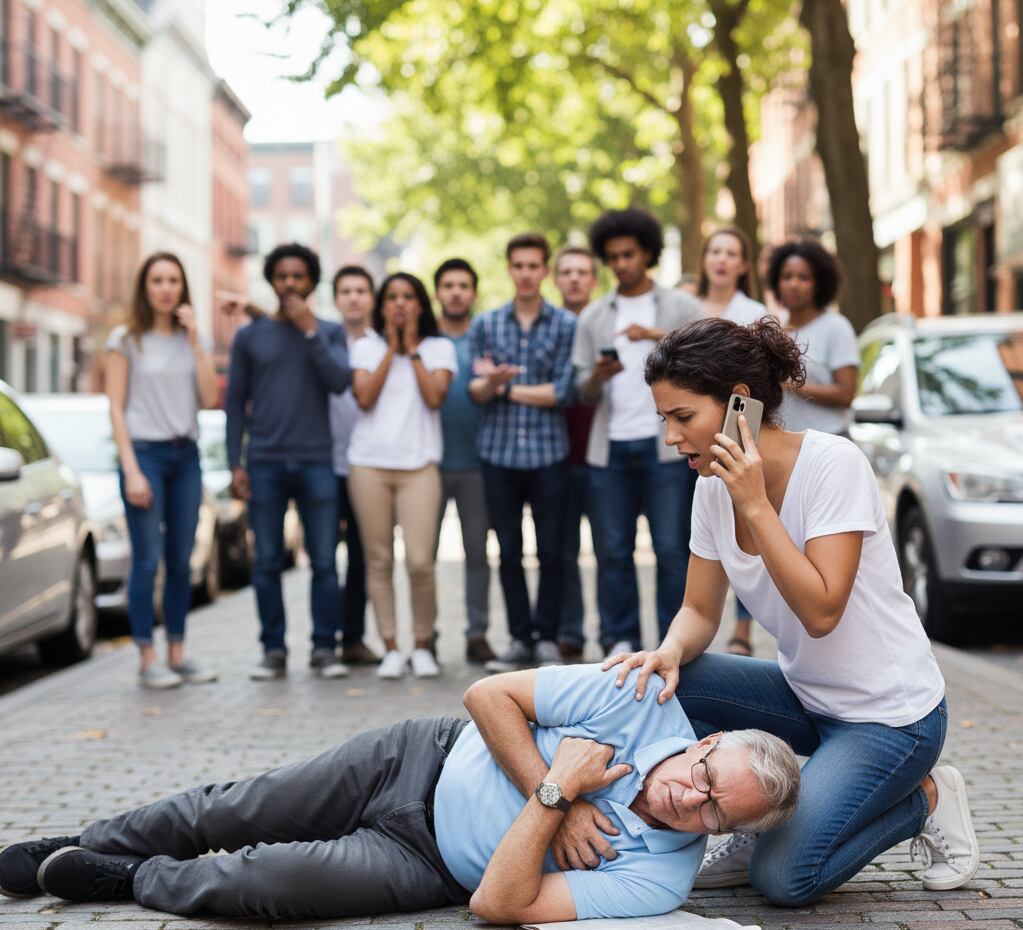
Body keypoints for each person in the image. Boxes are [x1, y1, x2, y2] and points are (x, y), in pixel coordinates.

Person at [606, 316, 978, 906]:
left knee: (785, 881)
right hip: (809, 697)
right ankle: (747, 817)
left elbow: (822, 610)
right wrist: (667, 652)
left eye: (683, 418)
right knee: (671, 684)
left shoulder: (833, 465)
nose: (672, 438)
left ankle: (923, 798)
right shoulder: (709, 488)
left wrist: (755, 504)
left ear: (738, 404)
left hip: (891, 719)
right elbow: (700, 612)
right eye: (664, 420)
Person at [0, 664, 800, 922]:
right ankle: (96, 833)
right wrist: (546, 784)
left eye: (714, 813)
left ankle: (128, 878)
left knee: (259, 886)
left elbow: (498, 906)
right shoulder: (637, 698)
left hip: (426, 863)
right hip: (410, 758)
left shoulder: (661, 878)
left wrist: (554, 798)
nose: (688, 803)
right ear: (703, 743)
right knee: (232, 806)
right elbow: (488, 696)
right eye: (702, 777)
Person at [572, 208, 700, 658]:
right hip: (610, 447)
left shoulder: (681, 307)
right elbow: (580, 389)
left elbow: (706, 363)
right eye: (613, 257)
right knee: (611, 551)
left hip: (666, 447)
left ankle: (674, 643)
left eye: (628, 254)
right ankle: (618, 638)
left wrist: (656, 335)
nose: (621, 264)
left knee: (670, 549)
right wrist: (600, 374)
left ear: (647, 253)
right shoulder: (592, 317)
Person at [226, 243, 351, 681]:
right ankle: (273, 650)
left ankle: (324, 649)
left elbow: (340, 382)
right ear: (272, 280)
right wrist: (234, 463)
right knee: (267, 561)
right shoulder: (249, 336)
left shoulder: (330, 332)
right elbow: (235, 403)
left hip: (317, 461)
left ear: (312, 282)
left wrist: (310, 332)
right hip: (265, 462)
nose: (291, 284)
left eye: (299, 277)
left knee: (322, 561)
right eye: (283, 276)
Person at [105, 253, 219, 689]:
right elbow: (115, 408)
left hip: (185, 456)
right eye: (157, 280)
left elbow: (209, 397)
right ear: (145, 287)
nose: (166, 288)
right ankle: (147, 657)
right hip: (145, 455)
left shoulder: (194, 339)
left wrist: (193, 341)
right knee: (147, 560)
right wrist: (132, 469)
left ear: (183, 287)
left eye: (173, 280)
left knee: (180, 559)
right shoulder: (125, 340)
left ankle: (177, 652)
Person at [470, 233, 577, 673]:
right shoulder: (487, 324)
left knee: (552, 551)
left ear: (544, 271)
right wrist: (492, 385)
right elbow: (476, 392)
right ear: (509, 269)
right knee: (508, 551)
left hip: (550, 453)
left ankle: (548, 637)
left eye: (534, 265)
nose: (527, 273)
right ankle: (519, 638)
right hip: (498, 454)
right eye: (519, 265)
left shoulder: (566, 325)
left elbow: (564, 392)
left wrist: (505, 386)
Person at [348, 273, 456, 679]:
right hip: (369, 466)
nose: (399, 304)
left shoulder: (439, 347)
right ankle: (391, 646)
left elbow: (434, 396)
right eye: (391, 297)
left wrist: (411, 350)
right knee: (377, 560)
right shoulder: (365, 346)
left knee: (419, 562)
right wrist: (390, 348)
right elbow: (364, 397)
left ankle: (423, 644)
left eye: (408, 297)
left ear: (421, 304)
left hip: (419, 467)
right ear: (380, 305)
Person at [697, 226, 769, 659]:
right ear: (705, 259)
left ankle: (742, 627)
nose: (722, 259)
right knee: (707, 528)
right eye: (715, 251)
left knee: (748, 526)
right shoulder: (689, 306)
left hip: (742, 432)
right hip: (701, 440)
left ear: (743, 264)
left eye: (731, 252)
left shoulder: (754, 311)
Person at [434, 258, 494, 664]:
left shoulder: (485, 338)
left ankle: (477, 633)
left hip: (477, 462)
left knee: (477, 552)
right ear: (437, 292)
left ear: (473, 292)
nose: (455, 291)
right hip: (428, 463)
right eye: (448, 285)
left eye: (463, 285)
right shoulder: (424, 339)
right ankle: (426, 637)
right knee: (422, 557)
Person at [328, 265, 379, 667]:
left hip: (368, 465)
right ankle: (325, 640)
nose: (353, 297)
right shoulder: (324, 341)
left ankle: (354, 638)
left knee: (364, 557)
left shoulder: (383, 344)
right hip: (327, 462)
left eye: (361, 290)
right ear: (335, 298)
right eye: (345, 290)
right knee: (326, 557)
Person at [552, 245, 600, 661]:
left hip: (604, 454)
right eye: (566, 272)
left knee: (610, 549)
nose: (574, 279)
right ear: (556, 279)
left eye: (582, 272)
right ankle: (570, 631)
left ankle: (613, 633)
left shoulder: (605, 324)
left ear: (594, 279)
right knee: (564, 549)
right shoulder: (551, 328)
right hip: (561, 455)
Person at [768, 239, 859, 435]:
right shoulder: (775, 326)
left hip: (829, 441)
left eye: (803, 278)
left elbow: (846, 394)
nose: (793, 284)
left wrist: (790, 385)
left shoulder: (836, 327)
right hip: (786, 443)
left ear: (819, 284)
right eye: (787, 276)